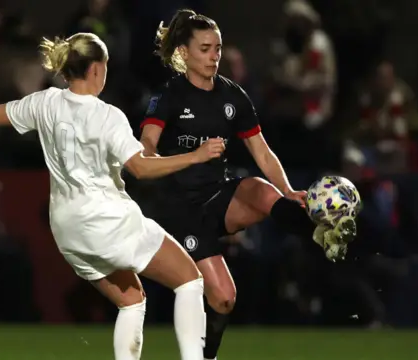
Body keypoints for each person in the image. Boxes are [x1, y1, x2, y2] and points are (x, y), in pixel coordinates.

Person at [0, 32, 225, 360]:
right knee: (189, 281)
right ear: (97, 69)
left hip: (68, 228)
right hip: (106, 218)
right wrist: (195, 156)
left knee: (131, 300)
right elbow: (140, 168)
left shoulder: (45, 102)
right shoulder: (107, 115)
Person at [139, 9, 356, 360]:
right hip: (183, 210)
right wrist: (188, 155)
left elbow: (263, 152)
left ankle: (319, 231)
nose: (214, 56)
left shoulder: (232, 96)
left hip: (219, 195)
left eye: (218, 48)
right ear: (183, 53)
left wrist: (288, 191)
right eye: (206, 48)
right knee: (224, 298)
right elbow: (145, 150)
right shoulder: (169, 97)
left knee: (258, 188)